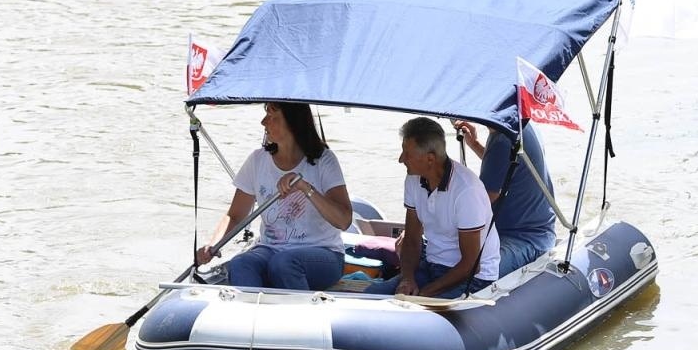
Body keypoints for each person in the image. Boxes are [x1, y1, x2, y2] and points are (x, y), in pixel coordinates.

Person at [198, 102, 352, 290]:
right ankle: (251, 308)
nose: (263, 122)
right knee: (240, 264)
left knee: (284, 263)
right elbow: (235, 215)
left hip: (323, 252)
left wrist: (305, 187)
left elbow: (344, 221)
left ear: (293, 121)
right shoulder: (257, 160)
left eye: (272, 116)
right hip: (270, 250)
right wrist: (213, 244)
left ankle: (300, 308)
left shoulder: (324, 160)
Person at [367, 117, 499, 299]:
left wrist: (425, 294)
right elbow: (412, 239)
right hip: (432, 265)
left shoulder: (467, 190)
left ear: (430, 158)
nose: (401, 159)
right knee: (371, 295)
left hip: (474, 278)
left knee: (416, 309)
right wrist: (407, 279)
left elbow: (471, 265)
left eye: (407, 153)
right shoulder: (413, 178)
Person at [453, 119, 557, 277]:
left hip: (525, 238)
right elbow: (502, 166)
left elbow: (483, 201)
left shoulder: (502, 140)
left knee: (473, 272)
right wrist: (474, 144)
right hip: (538, 229)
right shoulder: (519, 125)